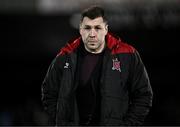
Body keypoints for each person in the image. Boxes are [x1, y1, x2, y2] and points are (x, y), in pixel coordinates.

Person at [41, 5, 153, 126]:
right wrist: (63, 121)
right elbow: (48, 92)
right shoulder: (65, 56)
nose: (92, 34)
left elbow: (143, 95)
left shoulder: (127, 54)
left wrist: (128, 124)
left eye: (97, 28)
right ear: (80, 29)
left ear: (106, 29)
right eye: (87, 28)